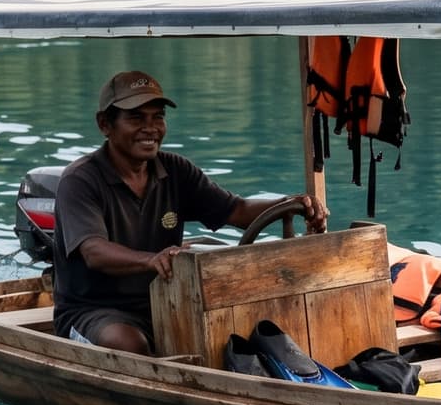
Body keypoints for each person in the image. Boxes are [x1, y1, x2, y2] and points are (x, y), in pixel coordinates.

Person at [50, 70, 325, 352]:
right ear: (105, 125)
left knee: (242, 332)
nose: (150, 127)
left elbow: (237, 210)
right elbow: (94, 252)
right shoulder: (80, 180)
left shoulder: (176, 169)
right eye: (136, 118)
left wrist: (293, 203)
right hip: (92, 310)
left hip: (163, 300)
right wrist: (151, 260)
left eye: (158, 117)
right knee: (130, 345)